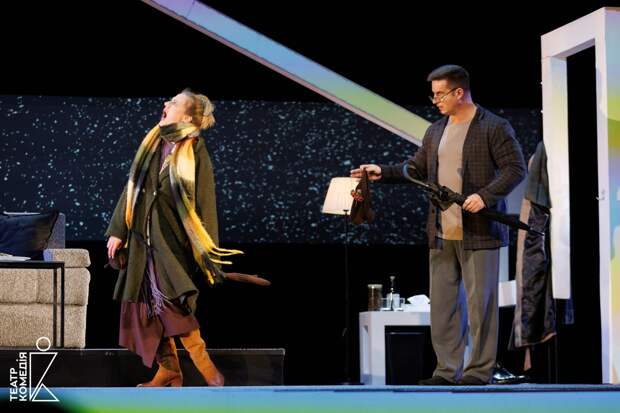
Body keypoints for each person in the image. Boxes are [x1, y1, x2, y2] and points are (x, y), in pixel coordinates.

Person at [351, 65, 526, 385]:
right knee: (444, 308)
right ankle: (447, 371)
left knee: (480, 306)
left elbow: (515, 169)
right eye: (433, 95)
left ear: (459, 92)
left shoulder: (493, 126)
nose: (435, 101)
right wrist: (382, 172)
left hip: (479, 232)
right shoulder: (436, 131)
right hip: (442, 231)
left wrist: (485, 196)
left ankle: (478, 371)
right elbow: (416, 169)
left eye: (440, 94)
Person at [106, 89, 242, 387]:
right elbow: (132, 187)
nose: (166, 103)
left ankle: (207, 369)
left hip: (171, 244)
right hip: (141, 240)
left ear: (188, 117)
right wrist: (118, 230)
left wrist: (208, 254)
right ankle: (168, 370)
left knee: (172, 306)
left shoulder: (195, 150)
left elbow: (205, 203)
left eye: (175, 102)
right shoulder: (153, 143)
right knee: (144, 308)